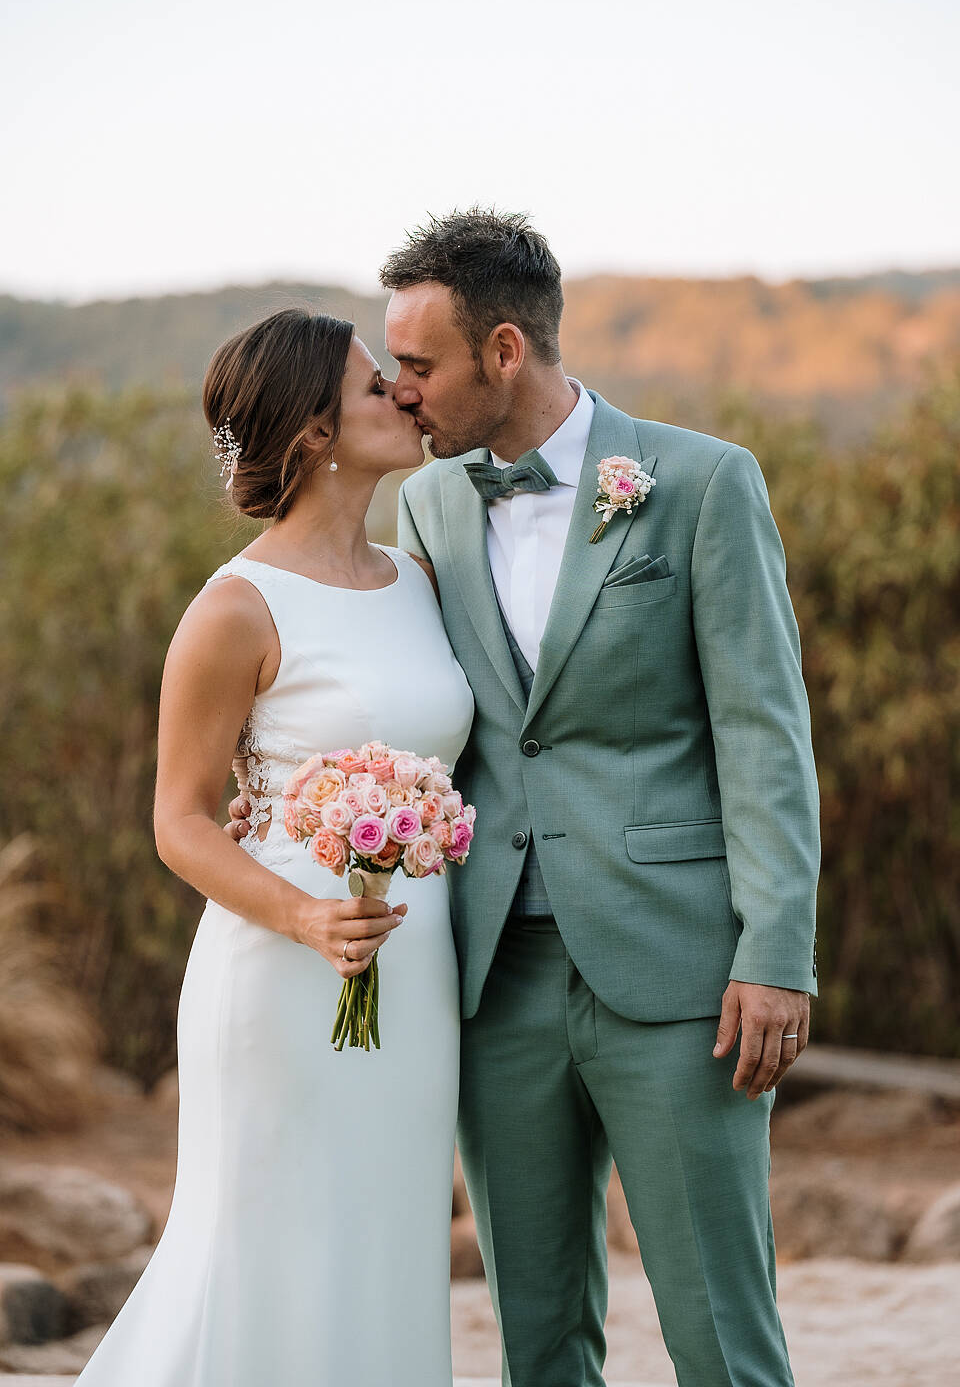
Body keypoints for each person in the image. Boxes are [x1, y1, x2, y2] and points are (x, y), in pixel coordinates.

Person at [382, 208, 819, 1387]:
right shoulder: (424, 507)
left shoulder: (700, 481)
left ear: (506, 351)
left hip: (679, 974)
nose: (398, 390)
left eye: (419, 366)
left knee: (718, 1333)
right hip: (493, 978)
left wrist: (777, 951)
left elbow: (764, 734)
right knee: (538, 1334)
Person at [75, 308, 474, 1387]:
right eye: (370, 382)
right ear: (311, 433)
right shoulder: (234, 610)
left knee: (384, 1241)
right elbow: (180, 820)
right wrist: (305, 917)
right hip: (282, 970)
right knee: (267, 1247)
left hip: (417, 972)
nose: (400, 391)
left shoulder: (423, 580)